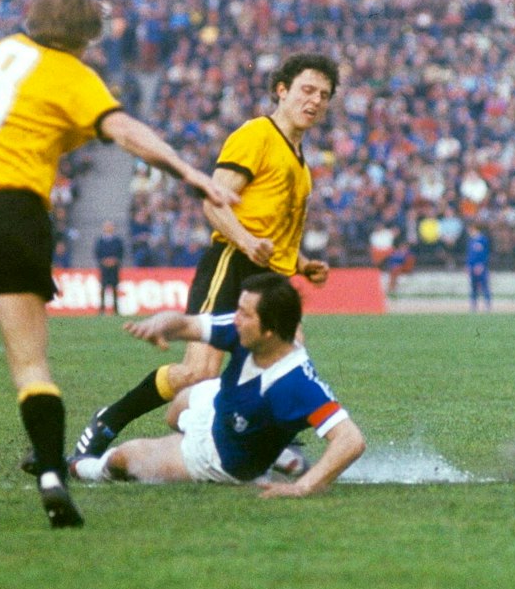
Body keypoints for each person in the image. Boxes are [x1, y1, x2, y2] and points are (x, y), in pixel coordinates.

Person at [0, 0, 236, 529]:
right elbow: (123, 129)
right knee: (29, 364)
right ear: (86, 37)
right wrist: (189, 172)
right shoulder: (72, 73)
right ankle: (54, 477)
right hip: (12, 211)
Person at [72, 54, 338, 462]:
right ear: (281, 90)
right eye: (307, 89)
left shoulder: (300, 163)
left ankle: (272, 445)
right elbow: (214, 203)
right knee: (198, 373)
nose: (315, 100)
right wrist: (247, 242)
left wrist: (301, 262)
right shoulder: (256, 136)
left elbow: (271, 224)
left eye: (324, 94)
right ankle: (110, 419)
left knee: (286, 360)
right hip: (233, 265)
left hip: (272, 278)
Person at [71, 274, 366, 496]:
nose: (236, 319)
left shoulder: (294, 383)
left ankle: (75, 466)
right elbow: (186, 324)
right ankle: (280, 453)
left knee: (122, 459)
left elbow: (350, 441)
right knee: (175, 411)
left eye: (245, 314)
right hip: (220, 401)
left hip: (214, 458)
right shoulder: (244, 330)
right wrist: (161, 324)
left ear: (270, 331)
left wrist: (303, 487)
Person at [95, 219, 124, 314]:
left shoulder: (118, 240)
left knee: (115, 288)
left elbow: (121, 253)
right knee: (103, 288)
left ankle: (116, 309)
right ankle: (102, 309)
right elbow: (97, 253)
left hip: (114, 268)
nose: (108, 228)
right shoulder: (100, 241)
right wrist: (104, 261)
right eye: (107, 226)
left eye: (110, 226)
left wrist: (114, 260)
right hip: (104, 268)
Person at [466, 223, 493, 311]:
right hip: (472, 267)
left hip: (481, 267)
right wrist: (468, 265)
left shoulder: (483, 240)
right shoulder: (471, 240)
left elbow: (485, 254)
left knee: (484, 286)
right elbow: (470, 255)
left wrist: (482, 265)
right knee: (473, 287)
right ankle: (473, 305)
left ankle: (487, 305)